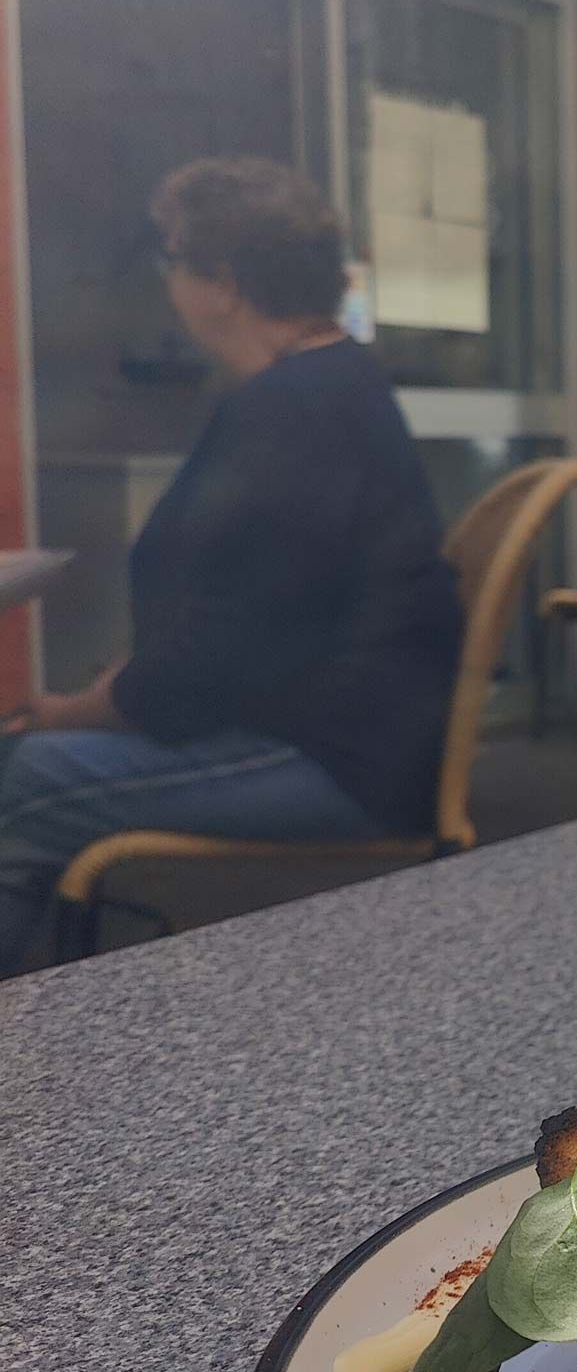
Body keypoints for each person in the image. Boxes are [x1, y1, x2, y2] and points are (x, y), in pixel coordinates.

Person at [0, 157, 462, 971]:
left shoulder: (294, 409)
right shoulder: (331, 387)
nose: (170, 282)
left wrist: (73, 708)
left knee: (31, 770)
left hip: (336, 758)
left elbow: (225, 651)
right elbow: (251, 622)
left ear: (225, 282)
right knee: (28, 752)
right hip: (346, 733)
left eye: (175, 261)